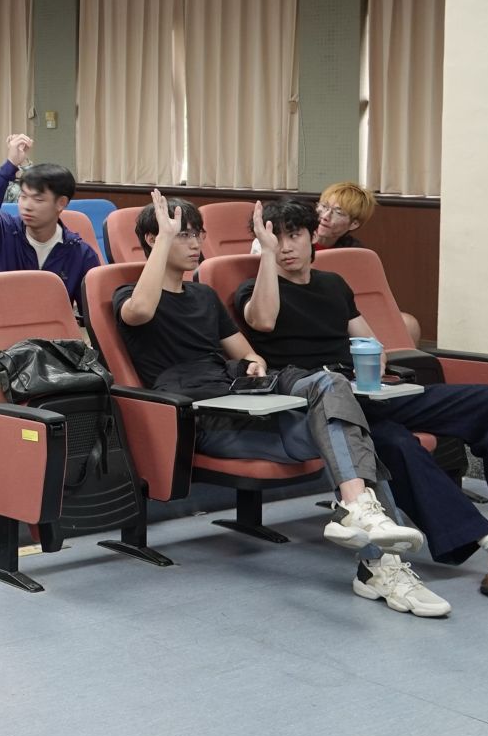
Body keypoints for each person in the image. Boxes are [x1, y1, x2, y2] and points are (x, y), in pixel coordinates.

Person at [113, 192, 429, 604]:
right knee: (354, 441)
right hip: (207, 417)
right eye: (182, 235)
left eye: (197, 235)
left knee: (333, 391)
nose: (195, 244)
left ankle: (364, 522)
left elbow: (248, 354)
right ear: (153, 240)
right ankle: (380, 566)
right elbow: (139, 311)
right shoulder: (128, 295)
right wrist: (164, 238)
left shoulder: (204, 297)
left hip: (244, 395)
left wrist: (253, 363)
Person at [237, 198, 488, 600]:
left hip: (368, 392)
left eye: (294, 235)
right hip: (325, 408)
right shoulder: (255, 289)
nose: (286, 246)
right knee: (396, 444)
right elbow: (262, 320)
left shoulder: (334, 285)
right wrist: (265, 257)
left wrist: (375, 361)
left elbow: (369, 341)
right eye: (275, 238)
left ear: (313, 237)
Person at [0, 133, 100, 308]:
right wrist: (10, 166)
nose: (27, 206)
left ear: (61, 203)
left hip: (50, 325)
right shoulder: (1, 231)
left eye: (38, 199)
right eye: (23, 196)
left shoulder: (79, 253)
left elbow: (92, 312)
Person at [307, 181, 423, 345]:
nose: (325, 216)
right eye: (324, 206)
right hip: (310, 310)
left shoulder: (355, 253)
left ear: (354, 224)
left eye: (338, 212)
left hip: (346, 312)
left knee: (409, 324)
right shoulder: (298, 239)